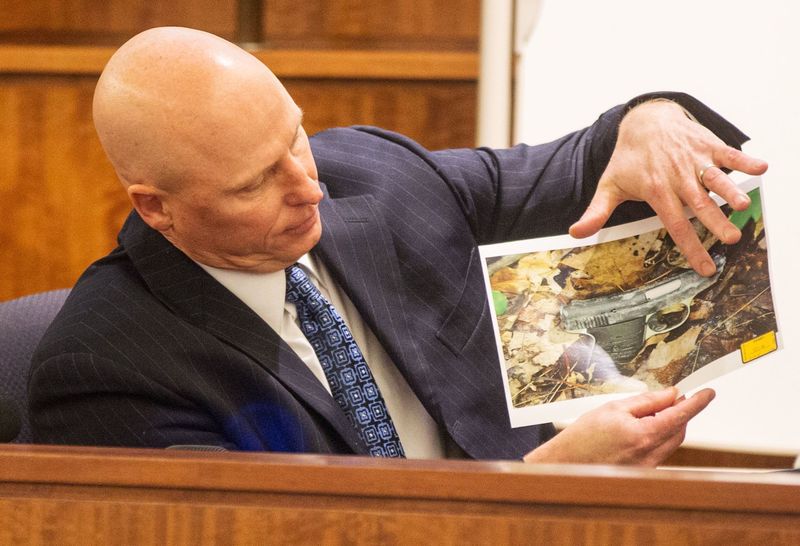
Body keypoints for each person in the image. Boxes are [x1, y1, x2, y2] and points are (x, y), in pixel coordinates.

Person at [29, 27, 767, 465]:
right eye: (256, 183)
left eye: (294, 135)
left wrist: (649, 121)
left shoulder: (368, 176)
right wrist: (542, 486)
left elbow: (576, 167)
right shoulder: (103, 367)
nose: (308, 186)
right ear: (156, 208)